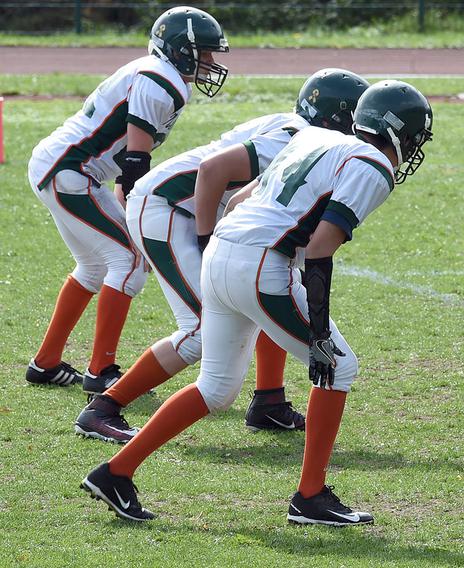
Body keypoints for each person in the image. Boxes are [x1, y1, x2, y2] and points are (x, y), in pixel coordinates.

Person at [81, 80, 433, 523]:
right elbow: (322, 247)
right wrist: (319, 331)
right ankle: (311, 497)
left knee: (214, 389)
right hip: (261, 264)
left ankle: (116, 472)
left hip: (223, 252)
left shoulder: (312, 136)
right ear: (400, 131)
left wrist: (230, 253)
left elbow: (242, 199)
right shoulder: (374, 164)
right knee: (339, 366)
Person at [73, 69, 370, 443]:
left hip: (193, 211)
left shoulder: (301, 133)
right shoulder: (296, 136)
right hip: (168, 209)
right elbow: (213, 171)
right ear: (335, 117)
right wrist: (206, 239)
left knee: (272, 286)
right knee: (200, 329)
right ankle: (104, 407)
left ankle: (269, 401)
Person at [25, 6, 229, 394]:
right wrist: (136, 219)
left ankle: (46, 363)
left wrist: (128, 209)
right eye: (204, 52)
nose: (210, 61)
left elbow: (126, 163)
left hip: (66, 167)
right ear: (180, 49)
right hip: (72, 170)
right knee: (130, 260)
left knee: (94, 266)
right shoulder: (160, 80)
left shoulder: (158, 74)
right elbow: (135, 160)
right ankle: (101, 370)